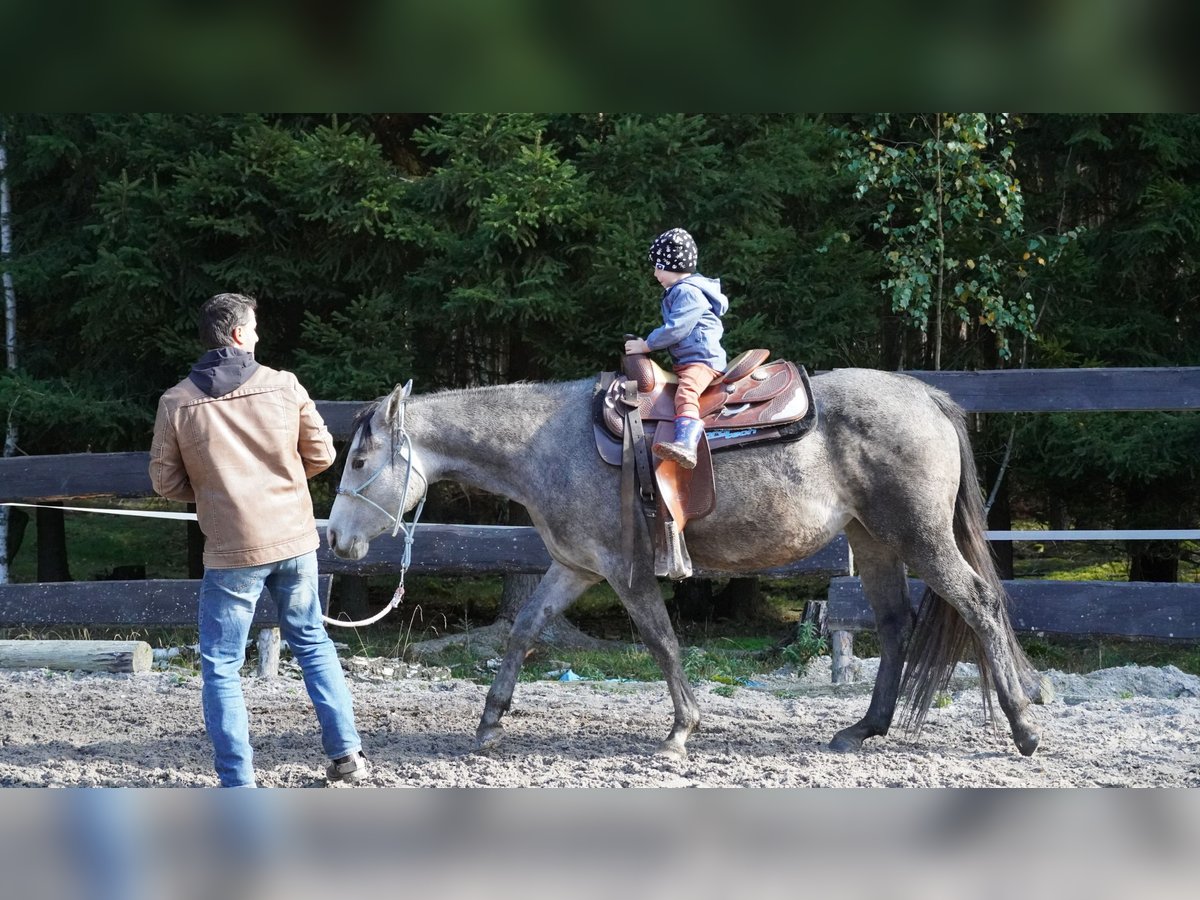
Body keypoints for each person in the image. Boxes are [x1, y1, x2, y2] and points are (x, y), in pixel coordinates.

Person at [149, 292, 367, 787]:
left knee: (222, 666)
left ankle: (238, 782)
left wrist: (214, 492)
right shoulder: (285, 386)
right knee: (313, 643)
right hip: (293, 539)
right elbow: (322, 454)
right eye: (255, 328)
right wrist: (284, 482)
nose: (260, 336)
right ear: (239, 335)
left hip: (232, 549)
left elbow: (165, 482)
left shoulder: (177, 402)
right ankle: (347, 754)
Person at [624, 227, 729, 469]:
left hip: (702, 361)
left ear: (675, 265)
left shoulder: (688, 291)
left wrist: (647, 344)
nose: (655, 273)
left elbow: (676, 328)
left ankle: (686, 444)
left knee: (686, 392)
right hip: (689, 360)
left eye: (659, 267)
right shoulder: (681, 290)